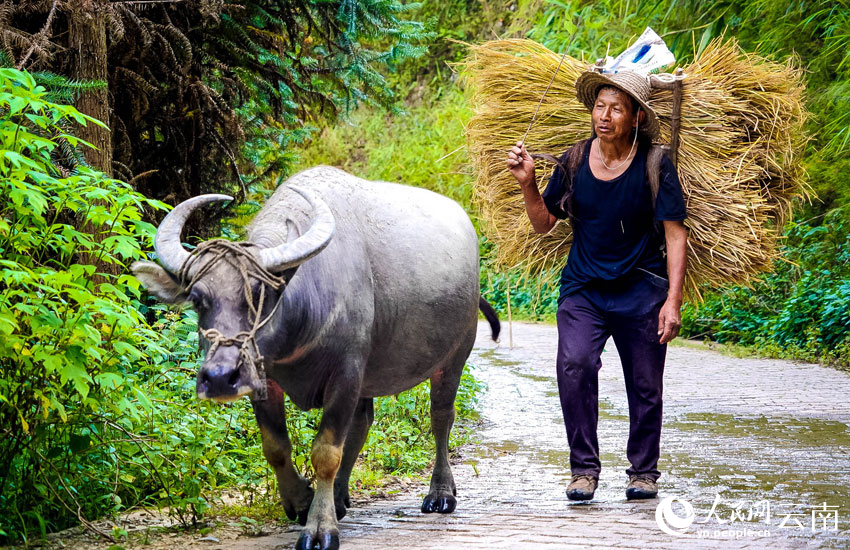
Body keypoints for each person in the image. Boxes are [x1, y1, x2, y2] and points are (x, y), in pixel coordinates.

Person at [506, 70, 688, 501]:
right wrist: (528, 183)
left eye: (617, 109)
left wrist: (672, 300)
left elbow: (675, 233)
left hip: (641, 288)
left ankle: (643, 472)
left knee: (645, 384)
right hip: (583, 289)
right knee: (575, 365)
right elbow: (543, 223)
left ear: (637, 118)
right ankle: (583, 470)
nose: (604, 116)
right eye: (600, 106)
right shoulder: (573, 161)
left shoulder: (655, 163)